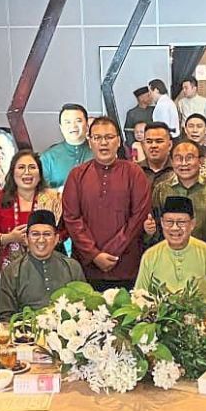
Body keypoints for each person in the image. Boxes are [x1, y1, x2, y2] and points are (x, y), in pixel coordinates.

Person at [61, 117, 152, 291]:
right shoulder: (77, 175)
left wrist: (112, 251)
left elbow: (139, 216)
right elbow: (71, 218)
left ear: (118, 141)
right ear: (89, 142)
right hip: (87, 267)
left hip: (126, 265)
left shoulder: (134, 172)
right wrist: (94, 254)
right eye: (97, 138)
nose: (103, 143)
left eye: (109, 137)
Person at [135, 196, 206, 304]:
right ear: (161, 222)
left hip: (202, 319)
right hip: (159, 319)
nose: (175, 228)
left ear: (192, 224)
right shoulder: (150, 256)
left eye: (181, 222)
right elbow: (139, 298)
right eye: (169, 222)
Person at [0, 209, 85, 320]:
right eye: (35, 234)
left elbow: (84, 308)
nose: (41, 240)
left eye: (47, 234)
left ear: (56, 239)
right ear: (26, 239)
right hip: (26, 334)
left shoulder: (72, 267)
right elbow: (4, 317)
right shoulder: (12, 271)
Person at [0, 150, 63, 269]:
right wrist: (10, 237)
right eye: (21, 167)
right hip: (12, 269)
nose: (27, 172)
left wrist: (43, 240)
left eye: (32, 167)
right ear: (13, 172)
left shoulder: (53, 199)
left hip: (50, 265)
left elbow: (64, 231)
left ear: (40, 173)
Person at [146, 141, 206, 244]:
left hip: (204, 254)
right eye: (178, 158)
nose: (184, 163)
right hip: (169, 254)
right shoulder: (161, 190)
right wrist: (150, 229)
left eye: (189, 158)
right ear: (171, 161)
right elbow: (154, 226)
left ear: (200, 161)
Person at [39, 103, 93, 190]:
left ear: (87, 125)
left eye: (78, 121)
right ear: (61, 127)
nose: (73, 126)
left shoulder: (99, 153)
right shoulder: (48, 158)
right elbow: (41, 193)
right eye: (67, 122)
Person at [137, 121, 174, 187]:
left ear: (169, 145)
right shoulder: (134, 171)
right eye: (149, 142)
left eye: (159, 141)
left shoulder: (179, 171)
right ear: (143, 145)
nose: (153, 146)